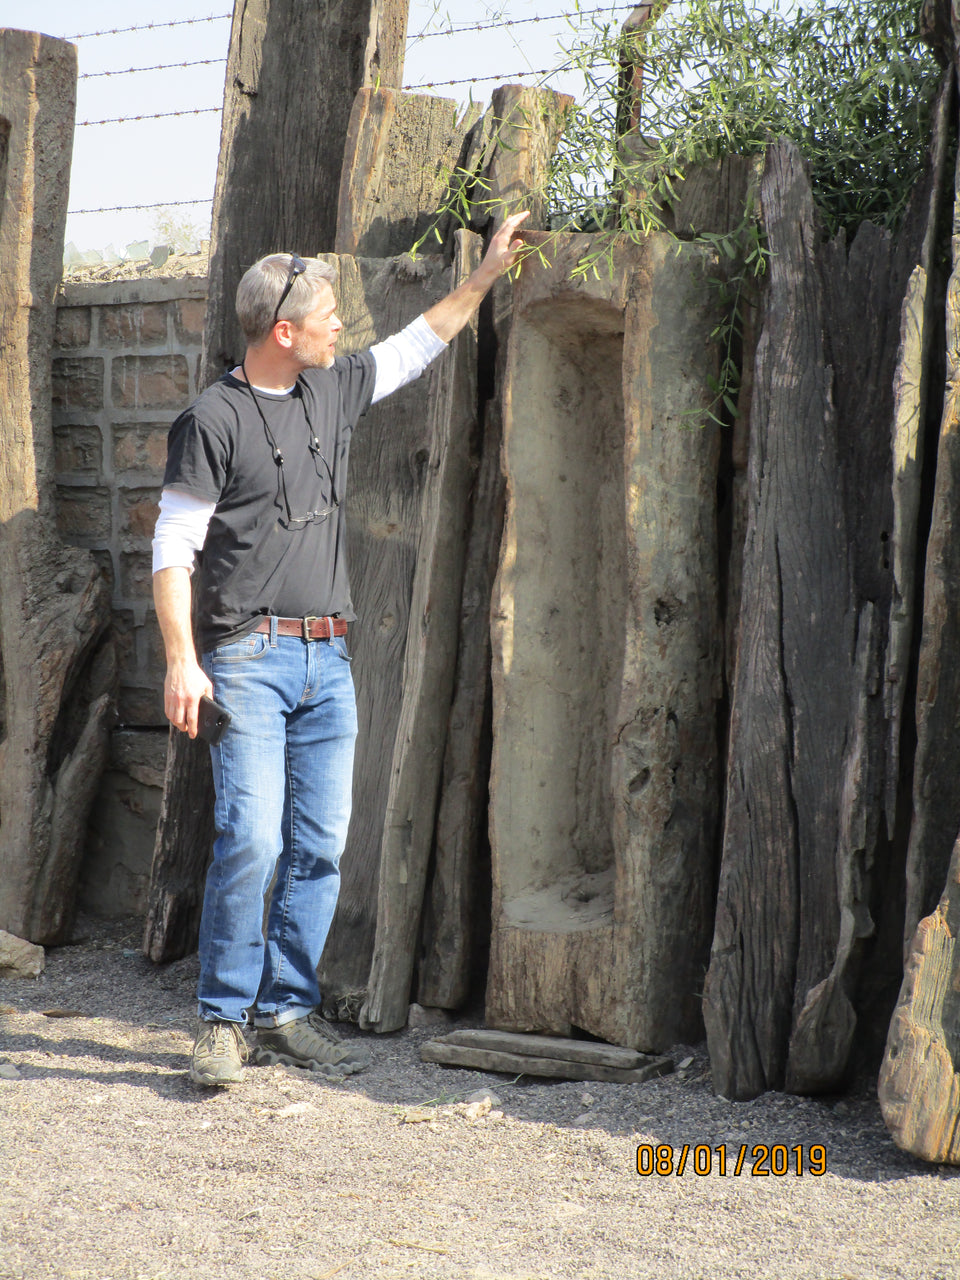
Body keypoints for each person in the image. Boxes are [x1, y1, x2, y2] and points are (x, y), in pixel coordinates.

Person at [152, 211, 529, 1087]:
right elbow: (173, 549)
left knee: (320, 841)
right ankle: (221, 1020)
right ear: (284, 332)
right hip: (246, 657)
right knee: (251, 838)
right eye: (327, 318)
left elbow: (416, 343)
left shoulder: (332, 386)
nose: (340, 330)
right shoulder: (212, 419)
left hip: (330, 660)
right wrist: (182, 657)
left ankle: (285, 1011)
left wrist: (485, 276)